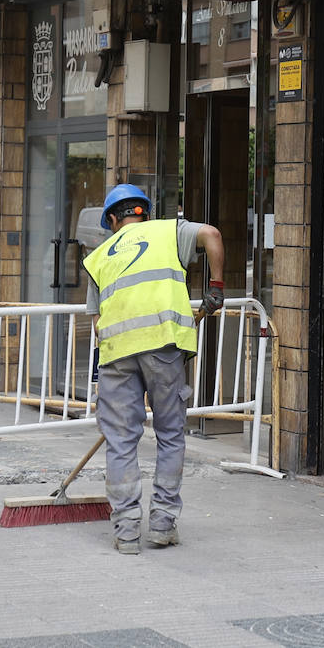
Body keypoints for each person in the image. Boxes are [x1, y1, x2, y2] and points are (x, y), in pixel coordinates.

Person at [83, 184, 224, 555]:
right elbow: (211, 234)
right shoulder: (168, 230)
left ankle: (127, 532)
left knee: (121, 441)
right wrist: (217, 287)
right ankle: (162, 525)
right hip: (164, 348)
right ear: (143, 211)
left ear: (112, 219)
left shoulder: (98, 257)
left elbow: (98, 323)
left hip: (117, 355)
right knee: (171, 434)